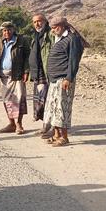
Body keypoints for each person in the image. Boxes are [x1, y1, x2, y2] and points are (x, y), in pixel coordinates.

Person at [42, 15, 85, 147]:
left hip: (63, 79)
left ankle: (64, 137)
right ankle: (56, 135)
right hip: (54, 80)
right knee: (53, 108)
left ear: (60, 27)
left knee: (62, 109)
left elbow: (73, 60)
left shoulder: (72, 39)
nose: (53, 31)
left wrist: (68, 78)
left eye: (54, 28)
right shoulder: (59, 39)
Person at [0, 22, 30, 134]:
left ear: (13, 30)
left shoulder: (21, 40)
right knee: (7, 101)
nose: (6, 32)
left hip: (17, 75)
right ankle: (11, 124)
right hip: (4, 76)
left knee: (19, 99)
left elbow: (27, 57)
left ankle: (19, 124)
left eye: (9, 30)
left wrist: (26, 71)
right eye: (4, 30)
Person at [29, 13, 56, 137]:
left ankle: (54, 127)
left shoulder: (50, 34)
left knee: (50, 100)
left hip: (48, 72)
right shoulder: (35, 36)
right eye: (34, 22)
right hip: (38, 73)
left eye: (39, 21)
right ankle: (45, 125)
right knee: (41, 101)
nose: (37, 24)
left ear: (45, 21)